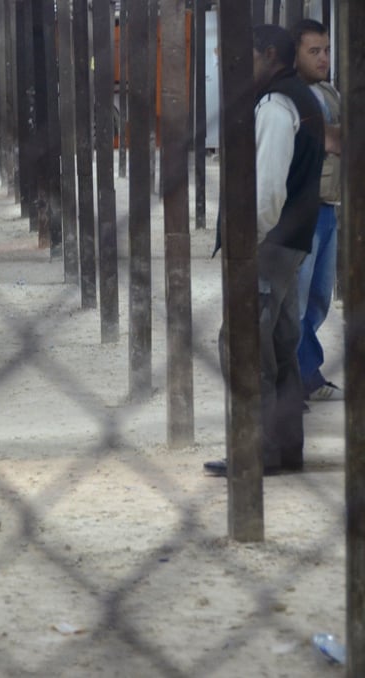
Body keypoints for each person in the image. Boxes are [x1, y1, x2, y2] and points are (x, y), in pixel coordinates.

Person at [205, 24, 325, 477]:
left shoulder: (277, 106)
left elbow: (268, 190)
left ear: (269, 54)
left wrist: (244, 246)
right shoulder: (302, 97)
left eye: (243, 58)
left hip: (268, 244)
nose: (235, 68)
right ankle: (284, 449)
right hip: (292, 241)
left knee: (242, 344)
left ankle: (253, 451)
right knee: (279, 345)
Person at [292, 19, 342, 402]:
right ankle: (298, 378)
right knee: (297, 297)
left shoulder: (327, 91)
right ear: (295, 54)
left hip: (329, 207)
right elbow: (335, 140)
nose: (323, 58)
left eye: (326, 49)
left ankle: (306, 373)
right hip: (304, 208)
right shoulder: (292, 95)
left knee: (319, 297)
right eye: (314, 51)